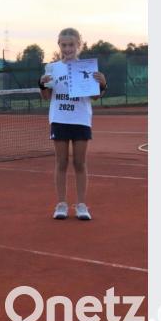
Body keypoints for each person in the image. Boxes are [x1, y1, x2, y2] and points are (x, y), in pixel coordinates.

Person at [39, 28, 107, 220]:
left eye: (71, 45)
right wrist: (42, 84)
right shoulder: (52, 68)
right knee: (61, 163)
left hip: (80, 120)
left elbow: (95, 96)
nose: (67, 48)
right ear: (59, 45)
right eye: (64, 45)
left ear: (79, 45)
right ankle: (61, 204)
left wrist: (103, 83)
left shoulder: (87, 68)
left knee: (79, 163)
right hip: (60, 120)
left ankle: (81, 205)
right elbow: (46, 97)